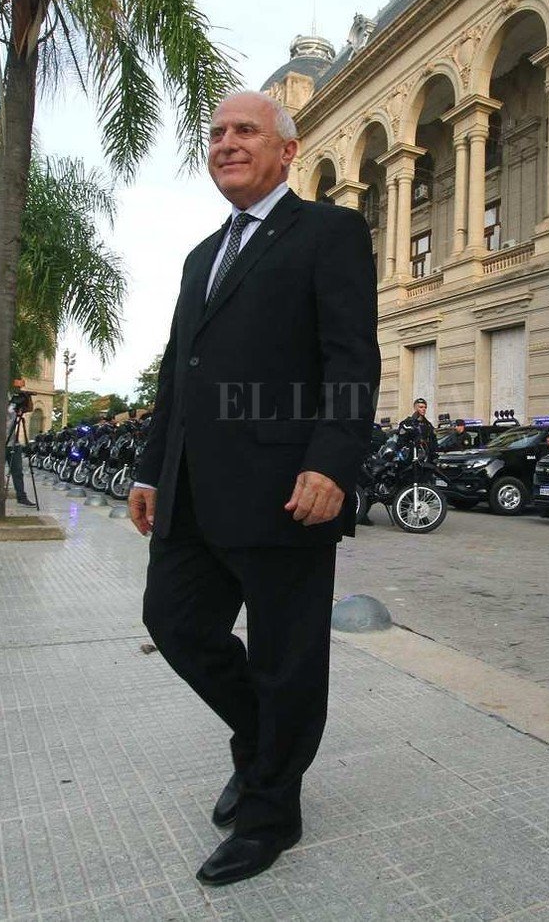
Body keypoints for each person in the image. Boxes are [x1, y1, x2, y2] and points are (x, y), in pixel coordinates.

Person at [131, 91, 380, 886]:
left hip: (287, 489)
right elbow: (179, 371)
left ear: (286, 149)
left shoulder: (329, 232)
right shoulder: (202, 255)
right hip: (193, 489)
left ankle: (273, 809)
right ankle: (261, 744)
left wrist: (331, 463)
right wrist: (146, 467)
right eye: (215, 133)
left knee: (286, 659)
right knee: (173, 623)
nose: (226, 143)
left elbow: (351, 358)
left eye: (244, 131)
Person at [5, 380, 35, 507]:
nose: (18, 388)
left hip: (13, 440)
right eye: (16, 386)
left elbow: (29, 409)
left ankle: (21, 496)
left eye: (19, 387)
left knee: (18, 471)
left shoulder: (16, 401)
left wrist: (27, 398)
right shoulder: (0, 399)